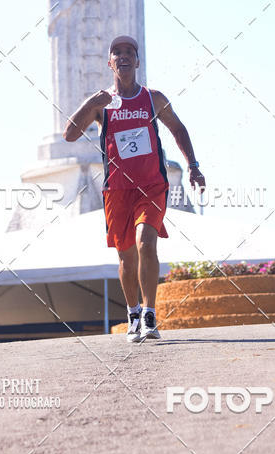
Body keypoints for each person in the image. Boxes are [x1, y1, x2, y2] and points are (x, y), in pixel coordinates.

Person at [64, 35, 206, 342]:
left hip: (151, 185)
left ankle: (149, 313)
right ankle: (132, 313)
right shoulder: (103, 103)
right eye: (117, 52)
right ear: (110, 62)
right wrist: (91, 103)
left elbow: (178, 128)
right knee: (126, 257)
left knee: (146, 243)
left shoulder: (153, 98)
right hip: (116, 190)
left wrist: (193, 166)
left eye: (130, 51)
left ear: (137, 61)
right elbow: (69, 135)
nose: (124, 56)